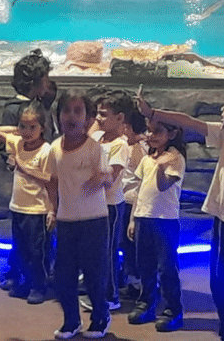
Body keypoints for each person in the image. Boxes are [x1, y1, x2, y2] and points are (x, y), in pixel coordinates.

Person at [137, 84, 224, 341]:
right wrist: (153, 112)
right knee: (218, 282)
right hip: (222, 225)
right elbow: (188, 122)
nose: (222, 110)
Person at [46, 90, 112, 340]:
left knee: (95, 274)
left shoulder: (95, 149)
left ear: (87, 118)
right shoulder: (54, 148)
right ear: (58, 115)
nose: (71, 117)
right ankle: (71, 321)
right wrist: (52, 209)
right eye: (66, 111)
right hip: (66, 221)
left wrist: (101, 178)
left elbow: (108, 176)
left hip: (93, 221)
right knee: (64, 276)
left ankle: (100, 317)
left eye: (77, 111)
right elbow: (52, 181)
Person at [0, 49, 54, 290]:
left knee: (39, 236)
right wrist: (12, 159)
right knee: (24, 236)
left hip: (42, 183)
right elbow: (5, 141)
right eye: (45, 79)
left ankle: (37, 277)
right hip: (24, 185)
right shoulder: (15, 109)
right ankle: (19, 273)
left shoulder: (39, 104)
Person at [126, 118, 187, 332]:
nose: (151, 135)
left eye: (157, 131)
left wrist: (161, 166)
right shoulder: (147, 159)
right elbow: (140, 190)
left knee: (167, 267)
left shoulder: (175, 159)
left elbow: (162, 186)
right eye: (149, 131)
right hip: (144, 218)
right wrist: (133, 218)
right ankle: (146, 303)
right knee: (145, 265)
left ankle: (173, 309)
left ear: (171, 134)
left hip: (165, 221)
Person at [0, 99, 53, 304]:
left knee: (37, 251)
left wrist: (24, 167)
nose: (26, 131)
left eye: (32, 127)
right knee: (21, 248)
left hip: (38, 209)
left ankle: (39, 285)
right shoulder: (18, 143)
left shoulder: (46, 150)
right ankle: (25, 282)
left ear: (42, 128)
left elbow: (49, 180)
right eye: (23, 126)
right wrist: (17, 131)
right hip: (18, 206)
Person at [82, 89, 132, 312]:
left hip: (110, 207)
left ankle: (110, 296)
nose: (98, 119)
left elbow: (111, 178)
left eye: (103, 114)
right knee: (94, 251)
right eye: (97, 114)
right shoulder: (97, 137)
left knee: (108, 252)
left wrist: (84, 179)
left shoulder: (120, 145)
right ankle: (97, 291)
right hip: (92, 205)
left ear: (120, 118)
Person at [120, 100, 148, 299]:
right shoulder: (126, 145)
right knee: (126, 245)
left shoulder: (139, 148)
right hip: (123, 201)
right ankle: (131, 281)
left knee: (133, 246)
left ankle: (139, 284)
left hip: (133, 203)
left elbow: (140, 181)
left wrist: (133, 216)